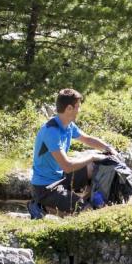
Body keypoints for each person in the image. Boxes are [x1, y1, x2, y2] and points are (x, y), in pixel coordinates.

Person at [27, 88, 118, 219]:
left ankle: (88, 200)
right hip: (46, 188)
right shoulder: (51, 131)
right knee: (86, 211)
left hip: (61, 177)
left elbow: (87, 139)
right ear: (69, 108)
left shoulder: (68, 125)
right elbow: (67, 166)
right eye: (78, 107)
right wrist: (92, 156)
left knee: (94, 168)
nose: (79, 110)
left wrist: (108, 148)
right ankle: (42, 206)